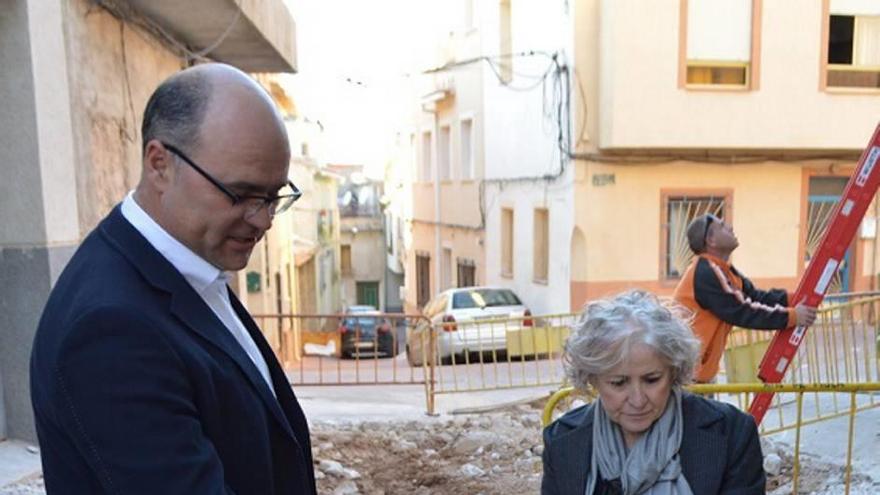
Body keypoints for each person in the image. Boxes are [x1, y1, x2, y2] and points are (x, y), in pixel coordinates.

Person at [30, 64, 316, 494]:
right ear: (159, 164)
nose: (263, 220)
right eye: (240, 194)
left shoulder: (190, 264)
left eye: (274, 197)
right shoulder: (111, 331)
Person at [542, 290, 766, 495]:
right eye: (618, 383)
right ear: (592, 379)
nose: (638, 400)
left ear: (674, 371)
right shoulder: (563, 442)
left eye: (652, 380)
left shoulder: (731, 433)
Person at [673, 214, 817, 383]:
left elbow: (755, 297)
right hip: (686, 373)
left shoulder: (724, 270)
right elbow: (741, 311)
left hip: (698, 371)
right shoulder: (706, 272)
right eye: (722, 226)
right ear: (710, 240)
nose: (730, 227)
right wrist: (792, 316)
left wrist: (791, 299)